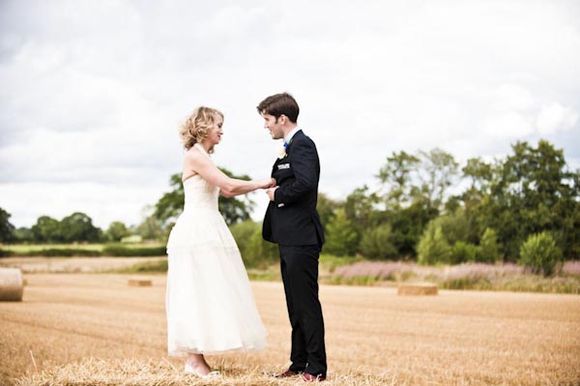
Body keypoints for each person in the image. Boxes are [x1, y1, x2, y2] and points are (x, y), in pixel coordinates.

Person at [165, 106, 272, 379]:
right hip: (197, 230)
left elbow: (225, 190)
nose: (222, 130)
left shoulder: (203, 157)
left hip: (208, 225)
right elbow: (229, 186)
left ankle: (196, 359)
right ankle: (194, 360)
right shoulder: (194, 156)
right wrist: (263, 183)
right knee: (195, 290)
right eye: (218, 125)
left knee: (209, 289)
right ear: (203, 126)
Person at [258, 93, 327, 382]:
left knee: (306, 304)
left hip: (302, 236)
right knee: (294, 304)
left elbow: (306, 183)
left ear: (282, 119)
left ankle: (316, 368)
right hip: (289, 237)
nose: (265, 127)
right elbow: (294, 177)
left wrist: (278, 194)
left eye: (267, 120)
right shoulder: (290, 148)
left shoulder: (303, 145)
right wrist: (276, 181)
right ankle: (298, 362)